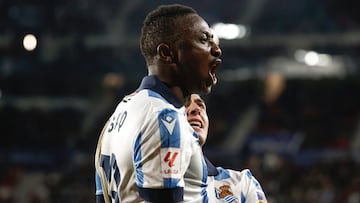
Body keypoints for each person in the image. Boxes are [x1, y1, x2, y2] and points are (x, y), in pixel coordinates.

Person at [95, 4, 222, 203]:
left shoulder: (120, 113)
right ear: (166, 53)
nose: (216, 50)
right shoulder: (164, 116)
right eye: (204, 40)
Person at [185, 94, 268, 203]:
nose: (196, 109)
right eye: (184, 104)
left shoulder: (242, 184)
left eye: (201, 106)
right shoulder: (156, 184)